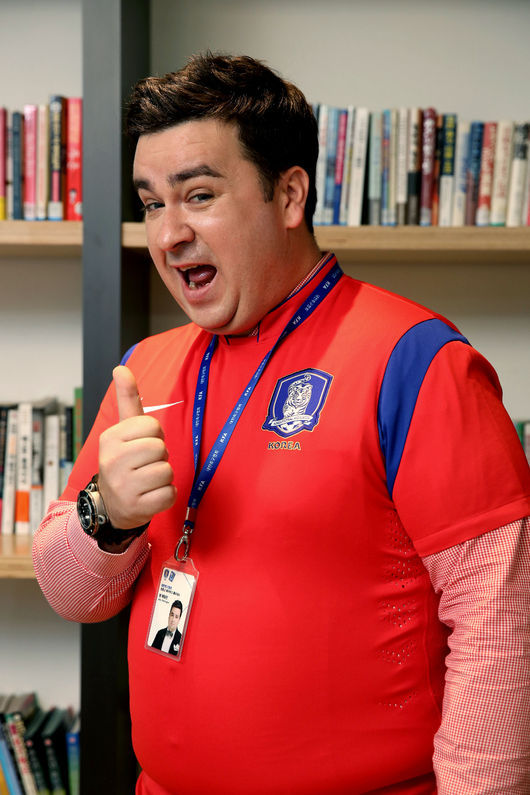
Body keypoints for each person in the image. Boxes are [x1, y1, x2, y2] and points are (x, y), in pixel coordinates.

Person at [33, 53, 530, 795]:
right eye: (152, 204)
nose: (167, 235)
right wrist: (108, 514)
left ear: (290, 194)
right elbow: (73, 594)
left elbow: (500, 625)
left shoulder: (417, 361)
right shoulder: (145, 369)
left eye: (198, 195)